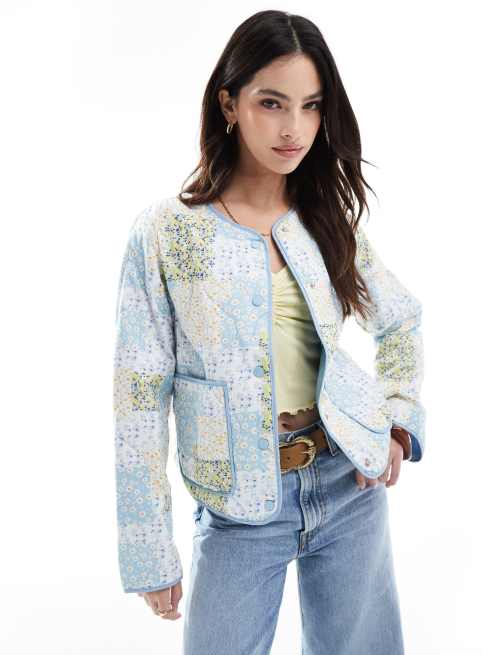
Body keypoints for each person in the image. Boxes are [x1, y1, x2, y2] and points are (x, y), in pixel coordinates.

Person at [113, 10, 425, 654]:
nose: (294, 129)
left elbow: (400, 320)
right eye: (272, 102)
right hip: (238, 505)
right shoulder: (168, 233)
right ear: (229, 104)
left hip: (348, 484)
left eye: (311, 106)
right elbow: (139, 397)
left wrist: (397, 421)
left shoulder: (324, 220)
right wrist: (149, 549)